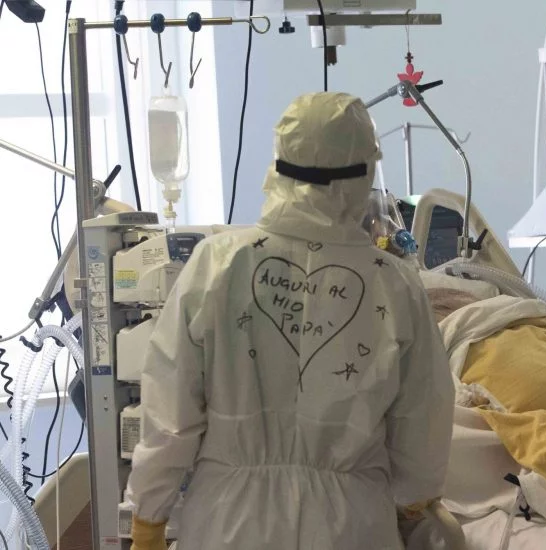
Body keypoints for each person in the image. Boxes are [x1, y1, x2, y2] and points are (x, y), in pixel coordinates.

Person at [125, 92, 455, 550]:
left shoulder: (218, 264)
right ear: (364, 174)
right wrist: (413, 503)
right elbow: (423, 420)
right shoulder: (395, 284)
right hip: (352, 525)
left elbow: (171, 412)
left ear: (278, 167)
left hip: (230, 522)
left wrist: (148, 519)